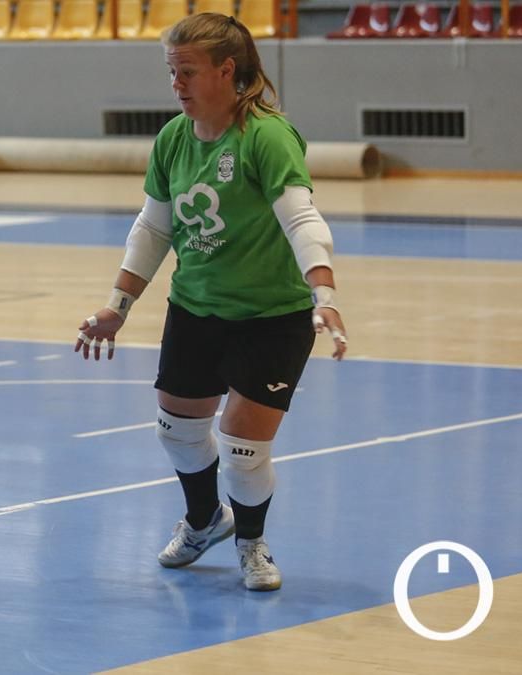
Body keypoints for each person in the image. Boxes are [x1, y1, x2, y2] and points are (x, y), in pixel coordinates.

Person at [75, 13, 347, 592]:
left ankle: (251, 543)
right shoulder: (173, 139)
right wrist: (116, 307)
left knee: (244, 449)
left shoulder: (267, 137)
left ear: (227, 71)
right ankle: (205, 521)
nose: (177, 84)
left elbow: (301, 218)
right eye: (172, 72)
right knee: (177, 431)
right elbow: (154, 228)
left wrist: (324, 294)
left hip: (271, 319)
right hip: (196, 309)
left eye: (188, 72)